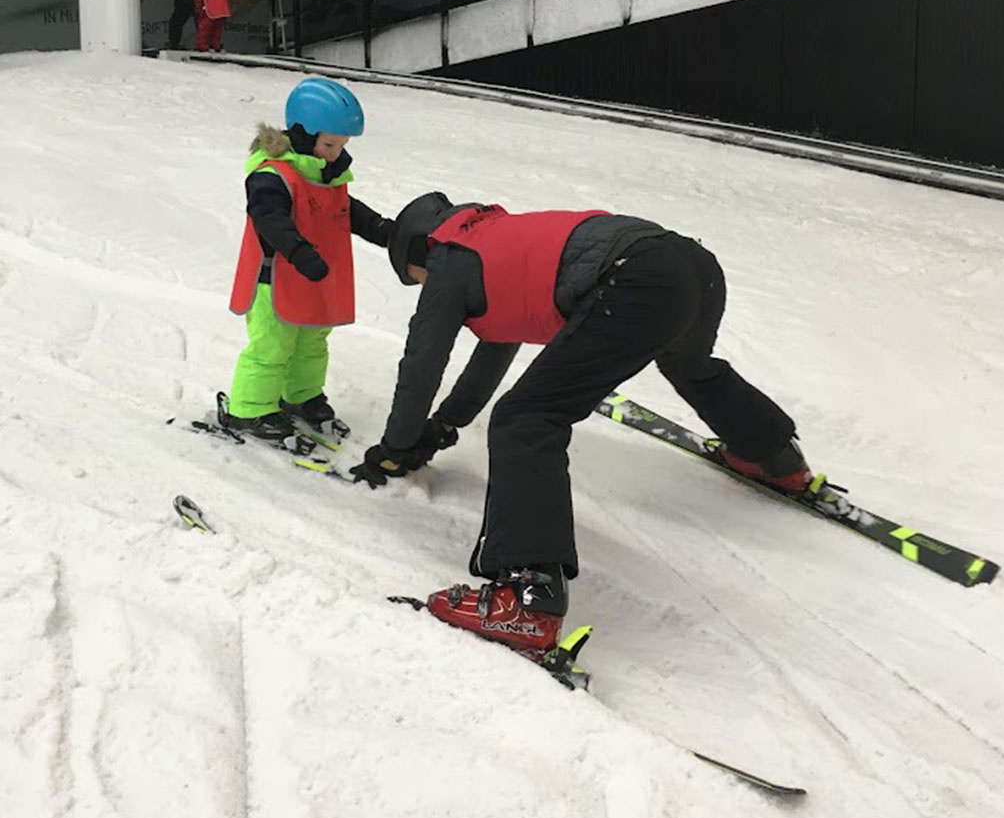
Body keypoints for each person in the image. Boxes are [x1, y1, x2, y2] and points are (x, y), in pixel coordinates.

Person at [351, 195, 815, 656]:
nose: (423, 288)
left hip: (634, 277)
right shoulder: (490, 243)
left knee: (526, 418)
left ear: (419, 254)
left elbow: (421, 364)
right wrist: (444, 425)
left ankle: (527, 600)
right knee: (688, 362)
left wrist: (397, 446)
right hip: (690, 265)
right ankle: (773, 456)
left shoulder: (449, 263)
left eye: (414, 279)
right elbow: (494, 352)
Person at [224, 78, 393, 439]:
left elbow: (344, 210)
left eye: (342, 145)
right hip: (277, 278)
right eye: (330, 143)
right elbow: (269, 219)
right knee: (272, 345)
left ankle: (300, 396)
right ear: (302, 133)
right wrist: (299, 252)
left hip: (313, 279)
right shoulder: (272, 176)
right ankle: (248, 410)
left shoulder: (324, 174)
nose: (336, 153)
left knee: (312, 344)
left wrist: (385, 231)